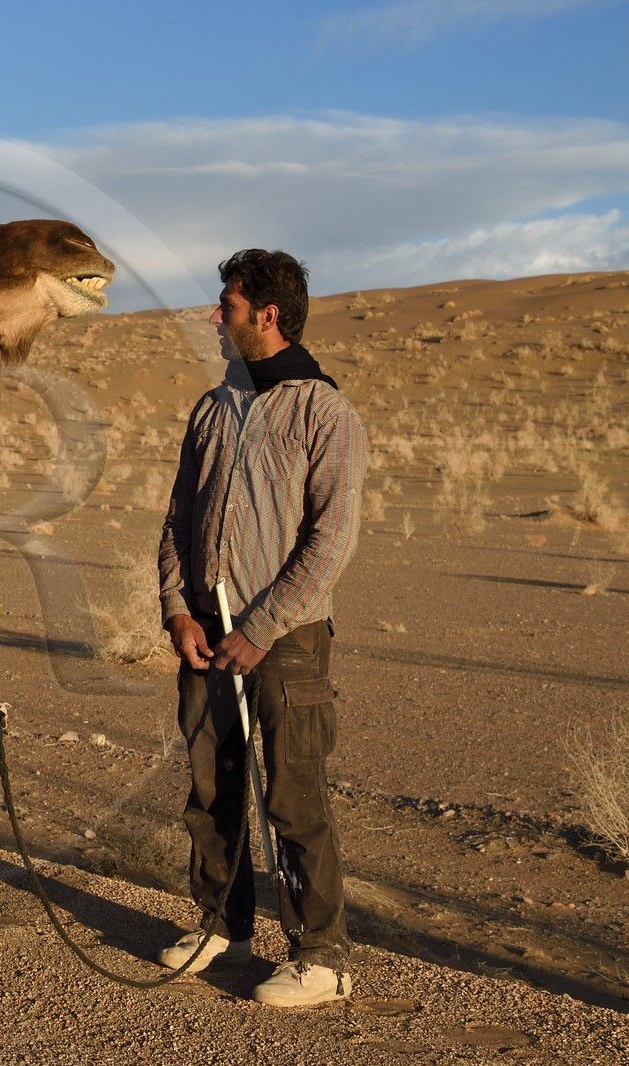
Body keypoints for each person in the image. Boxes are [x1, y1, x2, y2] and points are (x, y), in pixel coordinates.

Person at [156, 249, 369, 1007]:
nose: (217, 318)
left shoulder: (324, 412)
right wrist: (177, 608)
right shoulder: (212, 409)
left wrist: (264, 624)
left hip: (289, 638)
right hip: (206, 630)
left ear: (267, 316)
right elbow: (180, 517)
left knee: (295, 795)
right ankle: (224, 924)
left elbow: (332, 538)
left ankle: (323, 955)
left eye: (229, 306)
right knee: (210, 788)